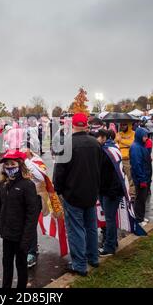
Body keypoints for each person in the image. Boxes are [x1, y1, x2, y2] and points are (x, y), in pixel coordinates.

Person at [53, 113, 102, 276]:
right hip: (90, 192)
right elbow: (99, 168)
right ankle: (93, 258)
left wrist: (58, 190)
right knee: (91, 226)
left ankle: (80, 264)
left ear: (73, 125)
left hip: (73, 194)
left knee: (76, 229)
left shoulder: (67, 144)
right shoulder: (95, 143)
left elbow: (59, 172)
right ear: (86, 125)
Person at [0, 150, 39, 288]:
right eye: (7, 165)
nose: (10, 167)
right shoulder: (3, 184)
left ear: (20, 165)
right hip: (7, 234)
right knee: (6, 264)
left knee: (21, 265)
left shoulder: (27, 185)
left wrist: (26, 239)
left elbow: (32, 214)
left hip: (21, 235)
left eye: (13, 164)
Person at [99, 130, 125, 256]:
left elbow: (109, 174)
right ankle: (113, 241)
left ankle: (109, 247)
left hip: (110, 190)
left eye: (97, 137)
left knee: (109, 219)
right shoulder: (112, 148)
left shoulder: (106, 151)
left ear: (104, 138)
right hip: (110, 189)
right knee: (110, 218)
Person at [129, 128, 151, 225]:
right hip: (141, 178)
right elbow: (137, 165)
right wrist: (142, 180)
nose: (146, 138)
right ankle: (138, 219)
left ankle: (141, 216)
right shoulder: (136, 147)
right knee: (140, 199)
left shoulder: (141, 146)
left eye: (147, 136)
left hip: (145, 177)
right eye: (144, 136)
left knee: (143, 198)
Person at [115, 122, 135, 197]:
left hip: (128, 159)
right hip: (119, 159)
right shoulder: (118, 134)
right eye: (121, 124)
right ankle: (122, 194)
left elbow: (132, 143)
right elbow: (115, 143)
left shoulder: (133, 133)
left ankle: (132, 195)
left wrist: (121, 141)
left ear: (129, 125)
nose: (122, 126)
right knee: (119, 178)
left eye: (124, 124)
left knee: (131, 178)